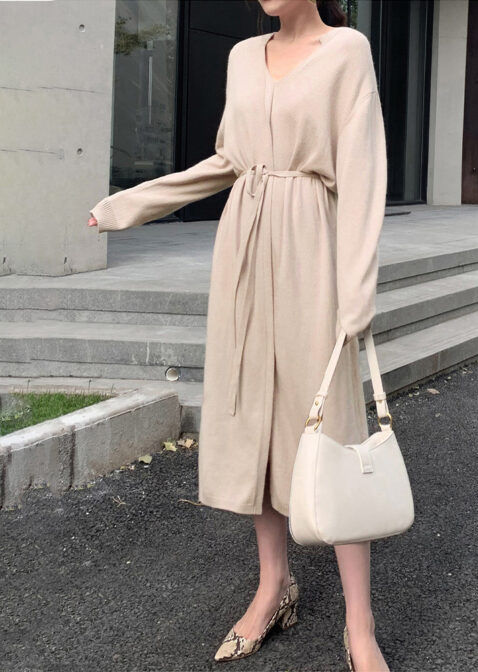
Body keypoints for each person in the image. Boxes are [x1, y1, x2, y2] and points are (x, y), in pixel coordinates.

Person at [88, 0, 388, 669]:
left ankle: (360, 624)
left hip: (313, 248)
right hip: (245, 251)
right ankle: (273, 587)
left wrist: (357, 290)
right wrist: (128, 205)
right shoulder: (242, 57)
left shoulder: (349, 51)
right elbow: (228, 160)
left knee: (334, 424)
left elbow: (364, 174)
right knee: (255, 416)